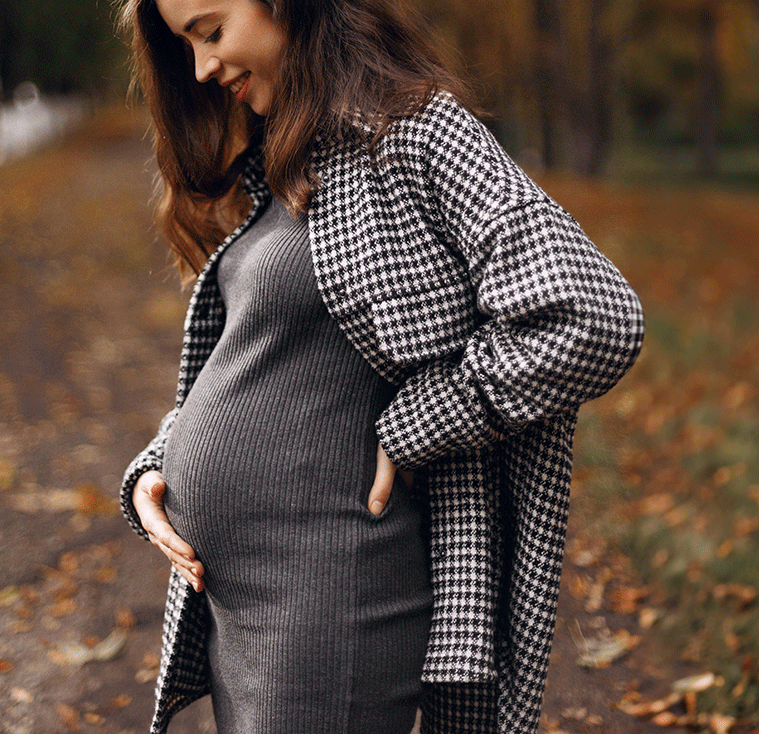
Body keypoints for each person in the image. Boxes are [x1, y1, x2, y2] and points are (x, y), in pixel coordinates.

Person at [117, 0, 645, 732]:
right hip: (249, 608)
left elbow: (592, 316)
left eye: (210, 32)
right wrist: (158, 466)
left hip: (332, 599)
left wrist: (419, 422)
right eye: (188, 47)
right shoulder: (293, 156)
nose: (203, 66)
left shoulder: (417, 133)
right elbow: (265, 360)